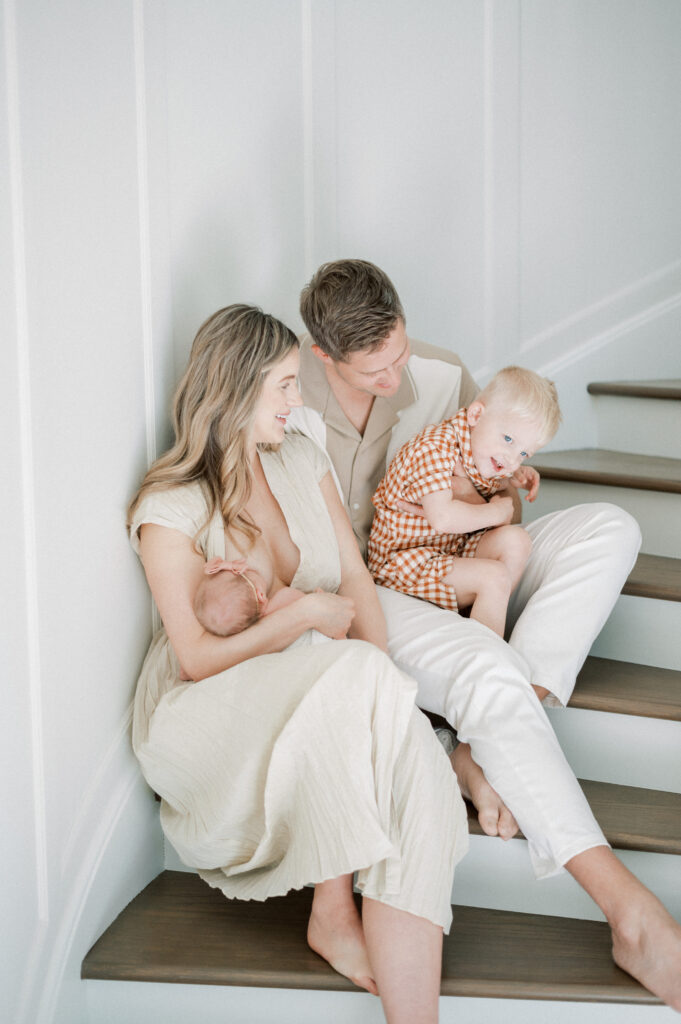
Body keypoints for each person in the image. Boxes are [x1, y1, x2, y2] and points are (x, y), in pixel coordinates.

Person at [290, 258, 681, 1010]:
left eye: (400, 352)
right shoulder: (291, 408)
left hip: (464, 562)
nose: (396, 374)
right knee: (483, 664)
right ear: (324, 356)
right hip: (376, 585)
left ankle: (480, 741)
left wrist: (507, 498)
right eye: (376, 369)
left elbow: (494, 471)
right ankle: (629, 912)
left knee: (610, 526)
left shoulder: (441, 375)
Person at [127, 304, 469, 1024]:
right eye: (283, 385)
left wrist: (382, 694)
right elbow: (192, 658)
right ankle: (331, 905)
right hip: (210, 708)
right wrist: (302, 618)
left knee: (419, 769)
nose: (296, 400)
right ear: (236, 388)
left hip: (323, 677)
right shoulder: (172, 503)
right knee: (353, 674)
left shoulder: (300, 459)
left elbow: (353, 580)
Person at [368, 366, 561, 640]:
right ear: (476, 415)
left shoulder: (484, 449)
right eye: (508, 439)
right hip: (403, 563)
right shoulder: (435, 448)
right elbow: (443, 518)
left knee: (517, 540)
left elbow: (487, 480)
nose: (510, 459)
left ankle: (480, 619)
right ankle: (487, 656)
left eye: (523, 453)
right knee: (493, 577)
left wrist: (510, 478)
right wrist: (496, 511)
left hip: (448, 551)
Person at [193, 556, 306, 637]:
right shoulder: (284, 598)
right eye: (247, 572)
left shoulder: (248, 634)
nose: (247, 568)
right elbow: (312, 602)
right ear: (260, 595)